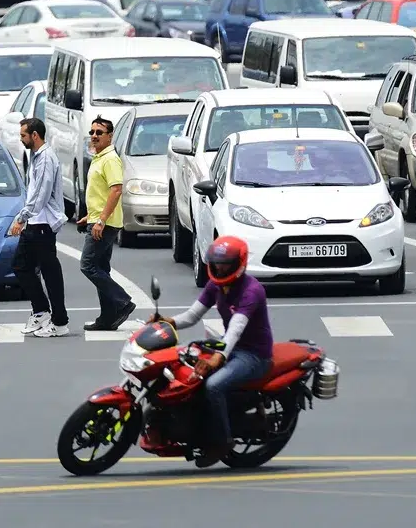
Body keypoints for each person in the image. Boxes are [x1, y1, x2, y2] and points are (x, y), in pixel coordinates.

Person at [154, 235, 273, 466]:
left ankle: (222, 441)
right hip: (228, 346)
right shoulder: (216, 285)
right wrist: (168, 322)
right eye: (217, 263)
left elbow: (236, 329)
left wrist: (218, 357)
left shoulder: (252, 291)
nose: (219, 268)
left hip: (253, 355)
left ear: (239, 264)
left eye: (225, 264)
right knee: (183, 365)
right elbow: (192, 316)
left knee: (214, 386)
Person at [7, 118, 69, 338]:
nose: (20, 139)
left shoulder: (45, 159)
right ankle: (41, 311)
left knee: (50, 273)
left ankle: (60, 322)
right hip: (35, 223)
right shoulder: (36, 157)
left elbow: (40, 194)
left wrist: (21, 217)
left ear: (35, 135)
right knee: (21, 266)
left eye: (23, 135)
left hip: (42, 223)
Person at [77, 116, 134, 332]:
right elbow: (100, 193)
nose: (94, 136)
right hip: (99, 219)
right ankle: (108, 318)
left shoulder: (110, 159)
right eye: (92, 132)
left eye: (99, 132)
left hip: (105, 223)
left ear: (110, 136)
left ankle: (122, 302)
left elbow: (116, 190)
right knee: (101, 268)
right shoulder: (99, 157)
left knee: (88, 265)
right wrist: (90, 216)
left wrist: (100, 220)